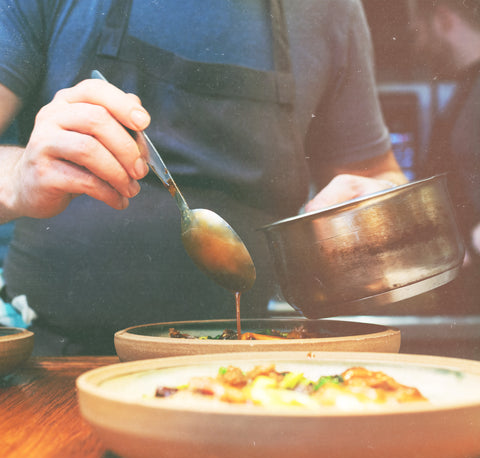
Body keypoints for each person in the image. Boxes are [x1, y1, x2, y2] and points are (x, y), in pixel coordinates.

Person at [0, 0, 406, 354]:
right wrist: (19, 177)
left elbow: (376, 176)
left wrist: (377, 206)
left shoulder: (332, 9)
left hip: (241, 367)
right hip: (47, 360)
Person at [409, 0, 480, 313]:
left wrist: (472, 246)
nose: (419, 45)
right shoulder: (467, 88)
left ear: (443, 19)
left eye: (418, 31)